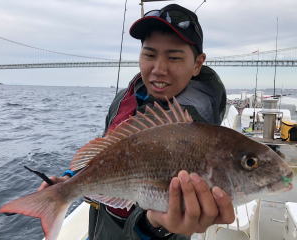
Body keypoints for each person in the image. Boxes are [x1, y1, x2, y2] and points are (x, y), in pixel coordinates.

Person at [38, 4, 235, 239]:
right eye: (149, 55)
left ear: (197, 64)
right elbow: (109, 150)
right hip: (101, 226)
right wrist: (70, 179)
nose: (158, 69)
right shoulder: (126, 98)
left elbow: (174, 216)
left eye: (174, 57)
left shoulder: (197, 127)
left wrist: (155, 225)